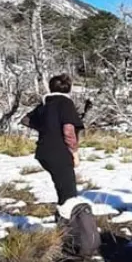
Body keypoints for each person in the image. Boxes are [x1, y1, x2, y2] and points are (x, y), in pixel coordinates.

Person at [21, 74, 85, 205]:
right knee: (69, 195)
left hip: (43, 152)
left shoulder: (45, 104)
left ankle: (62, 220)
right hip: (59, 153)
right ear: (69, 88)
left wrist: (47, 129)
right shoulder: (66, 103)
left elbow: (26, 120)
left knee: (63, 190)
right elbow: (68, 130)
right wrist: (74, 153)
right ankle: (68, 223)